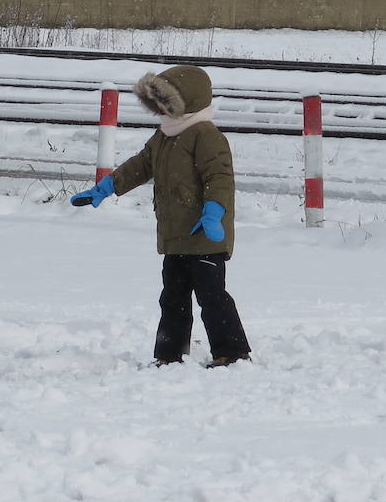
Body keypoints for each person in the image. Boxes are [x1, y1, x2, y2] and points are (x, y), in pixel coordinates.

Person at [71, 65, 251, 367]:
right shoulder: (164, 136)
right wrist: (107, 187)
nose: (160, 109)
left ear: (187, 102)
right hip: (175, 236)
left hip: (205, 235)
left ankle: (232, 352)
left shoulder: (206, 136)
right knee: (172, 299)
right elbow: (140, 165)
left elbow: (219, 177)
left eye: (166, 102)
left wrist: (214, 212)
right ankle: (170, 355)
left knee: (212, 298)